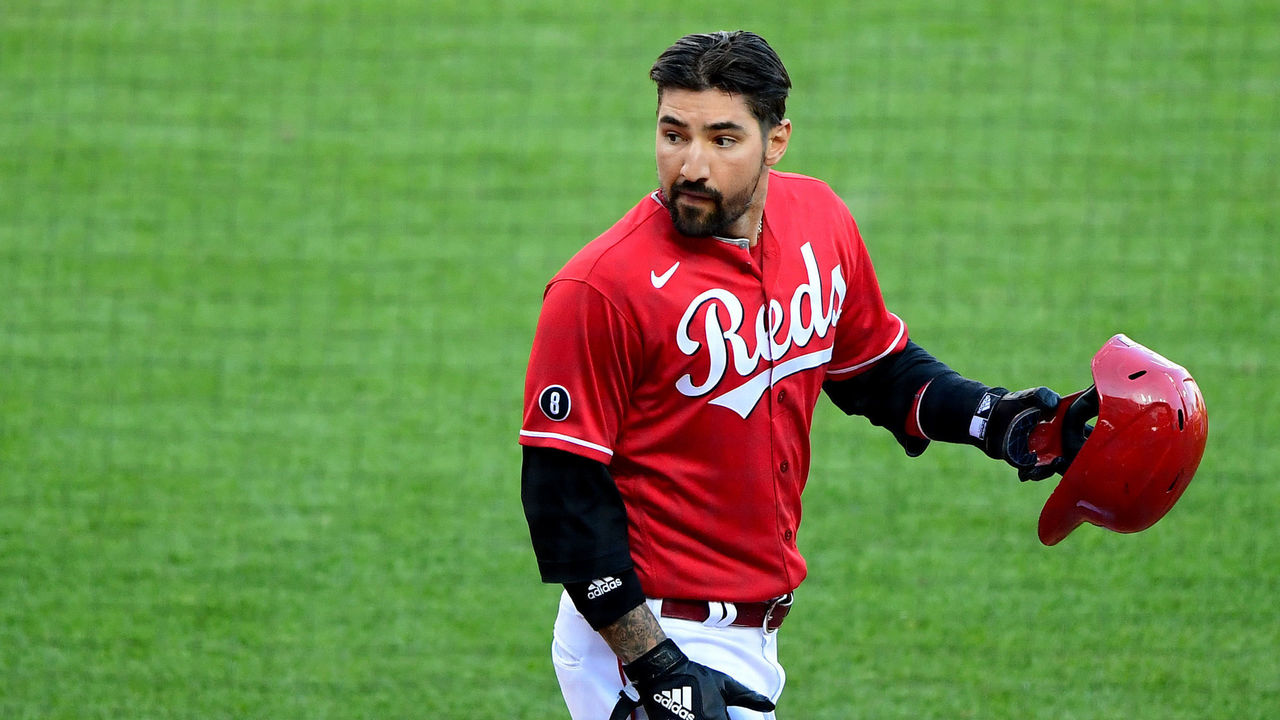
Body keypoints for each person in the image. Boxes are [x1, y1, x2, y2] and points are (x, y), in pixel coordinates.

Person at [518, 30, 1063, 720]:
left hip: (748, 633)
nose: (691, 165)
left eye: (722, 139)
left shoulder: (819, 221)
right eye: (673, 133)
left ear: (776, 140)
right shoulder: (601, 287)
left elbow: (877, 369)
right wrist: (654, 663)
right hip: (646, 632)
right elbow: (560, 492)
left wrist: (996, 418)